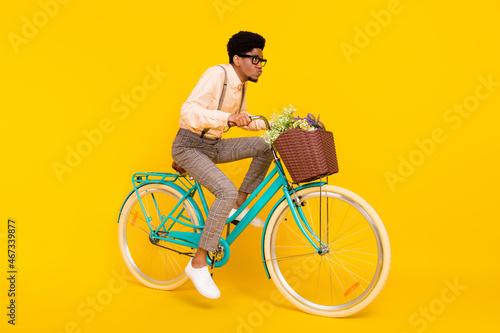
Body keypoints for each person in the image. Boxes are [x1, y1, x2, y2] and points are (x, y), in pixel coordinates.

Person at [171, 31, 273, 299]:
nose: (260, 65)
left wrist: (278, 125)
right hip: (189, 146)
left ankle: (238, 205)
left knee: (266, 144)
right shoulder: (217, 75)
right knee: (223, 191)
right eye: (255, 59)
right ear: (237, 59)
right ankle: (198, 262)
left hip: (213, 146)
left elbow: (246, 120)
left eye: (262, 60)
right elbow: (188, 111)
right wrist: (227, 117)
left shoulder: (242, 85)